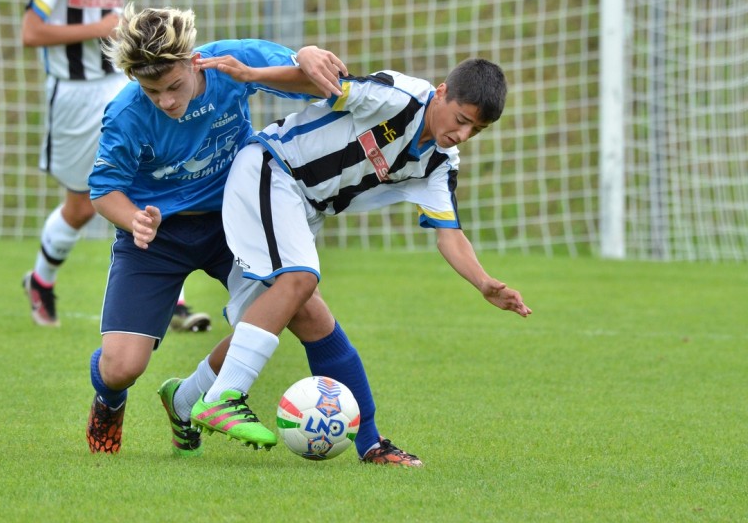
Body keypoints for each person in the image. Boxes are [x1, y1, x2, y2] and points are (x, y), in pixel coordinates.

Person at [172, 56, 532, 466]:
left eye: (476, 130)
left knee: (309, 319)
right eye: (462, 119)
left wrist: (483, 282)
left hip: (304, 208)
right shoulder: (398, 98)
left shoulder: (438, 163)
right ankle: (224, 397)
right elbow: (321, 84)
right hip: (272, 168)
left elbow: (449, 234)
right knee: (301, 279)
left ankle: (185, 400)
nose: (463, 134)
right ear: (443, 92)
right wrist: (253, 76)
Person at [84, 3, 347, 454]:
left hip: (232, 221)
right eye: (152, 90)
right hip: (157, 236)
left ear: (193, 61)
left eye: (174, 86)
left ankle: (188, 400)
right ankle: (109, 401)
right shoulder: (125, 114)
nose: (166, 100)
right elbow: (104, 188)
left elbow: (312, 84)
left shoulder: (229, 62)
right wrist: (135, 220)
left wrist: (304, 54)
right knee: (122, 367)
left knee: (298, 306)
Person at [18, 0, 208, 330]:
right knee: (82, 205)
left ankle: (174, 300)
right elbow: (31, 31)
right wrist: (97, 29)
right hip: (71, 97)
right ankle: (41, 281)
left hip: (117, 89)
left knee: (145, 179)